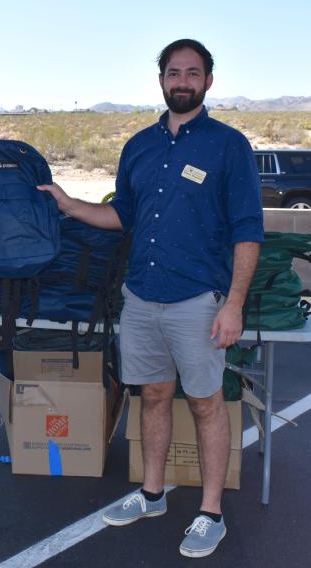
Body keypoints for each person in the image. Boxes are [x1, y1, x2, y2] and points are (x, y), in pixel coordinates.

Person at [38, 39, 263, 558]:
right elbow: (125, 217)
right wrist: (70, 205)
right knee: (153, 396)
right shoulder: (138, 146)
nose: (182, 81)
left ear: (209, 80)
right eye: (173, 72)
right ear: (160, 79)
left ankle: (210, 513)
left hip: (197, 301)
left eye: (192, 72)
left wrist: (233, 304)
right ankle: (152, 493)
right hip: (140, 296)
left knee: (207, 404)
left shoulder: (229, 147)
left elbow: (248, 230)